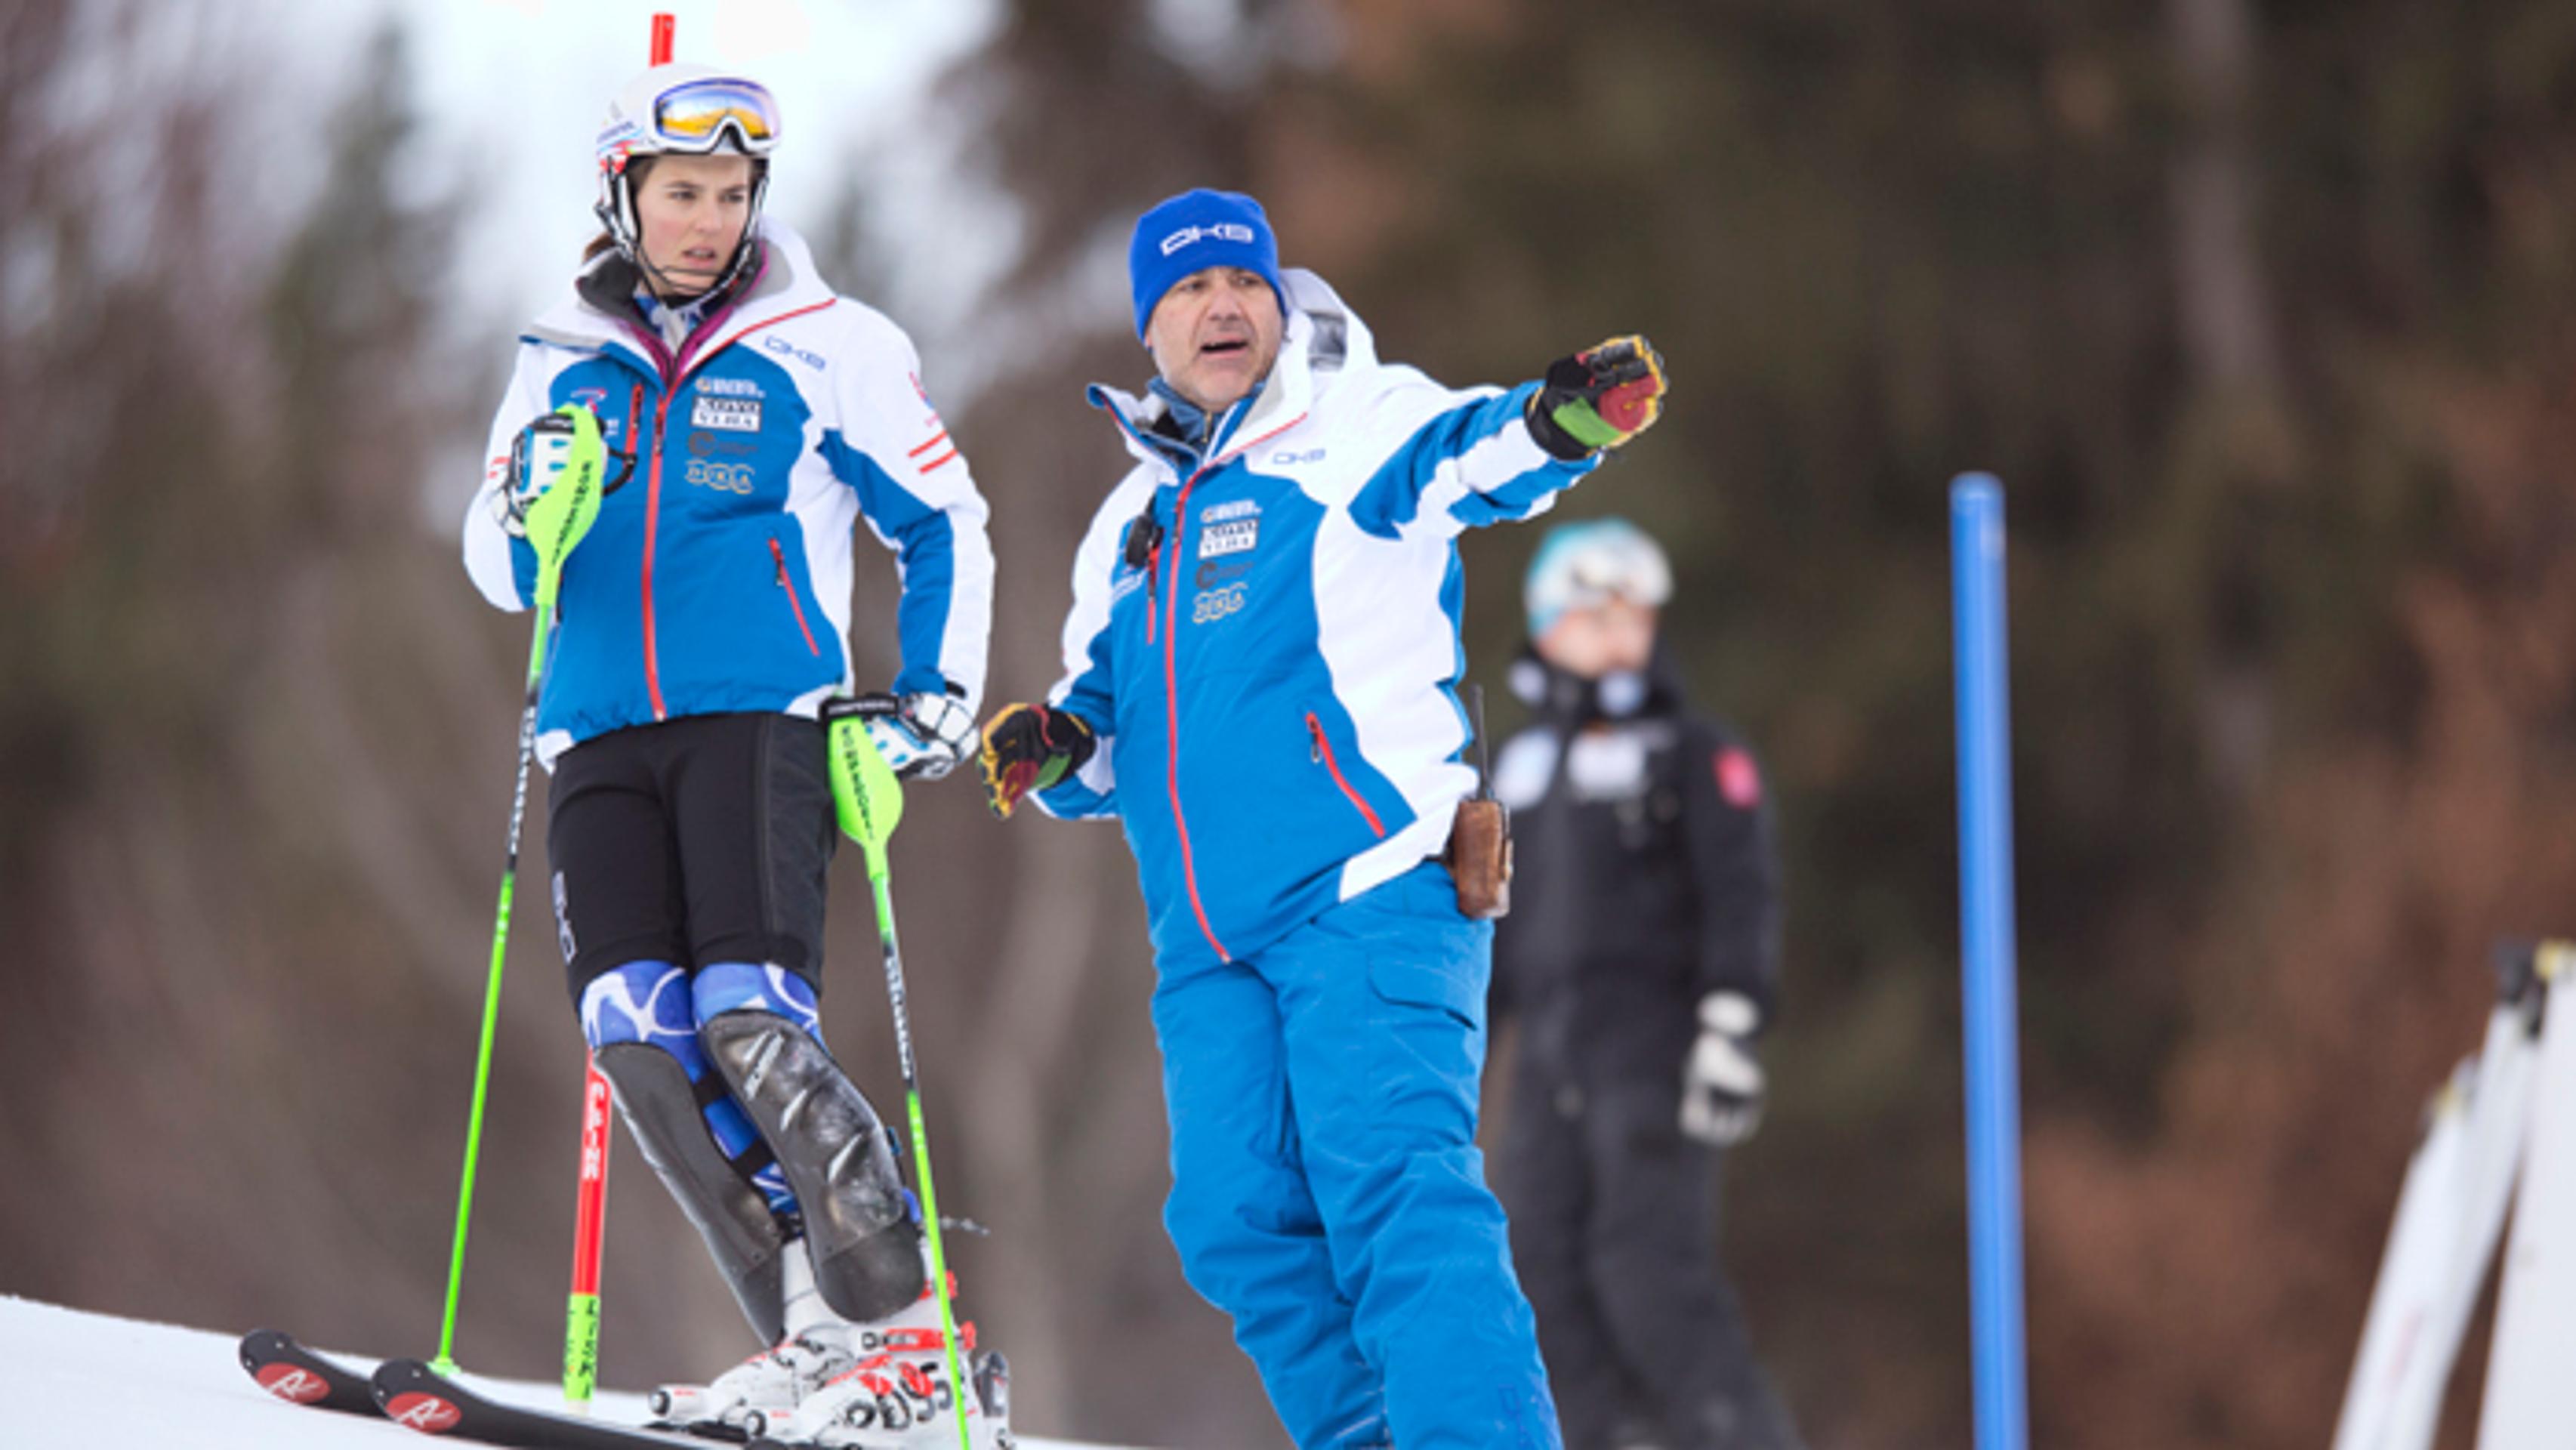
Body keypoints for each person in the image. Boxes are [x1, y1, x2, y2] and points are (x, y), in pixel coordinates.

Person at [975, 187, 1668, 1450]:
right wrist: (1056, 748)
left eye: (1242, 280)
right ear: (1150, 330)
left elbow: (1471, 453)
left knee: (1392, 1187)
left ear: (1277, 301)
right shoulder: (1125, 530)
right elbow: (1105, 739)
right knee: (1236, 1222)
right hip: (1209, 942)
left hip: (1371, 888)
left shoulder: (1350, 423)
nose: (1221, 305)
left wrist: (1559, 421)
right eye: (1187, 291)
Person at [460, 60, 1005, 1448]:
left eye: (730, 193)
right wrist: (533, 505)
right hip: (592, 737)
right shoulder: (555, 354)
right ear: (623, 198)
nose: (708, 219)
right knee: (637, 1040)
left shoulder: (831, 341)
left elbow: (945, 522)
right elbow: (495, 563)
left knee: (748, 1024)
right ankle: (814, 1340)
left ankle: (910, 1337)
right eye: (681, 192)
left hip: (758, 725)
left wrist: (932, 701)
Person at [1486, 519, 1802, 1450]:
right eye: (1592, 615)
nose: (1616, 635)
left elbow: (1740, 892)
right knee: (1540, 1269)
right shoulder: (1518, 767)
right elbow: (1491, 931)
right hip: (1548, 1057)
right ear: (1547, 629)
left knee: (1647, 1271)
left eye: (1633, 616)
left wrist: (1730, 1025)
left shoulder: (1693, 754)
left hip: (1652, 1050)